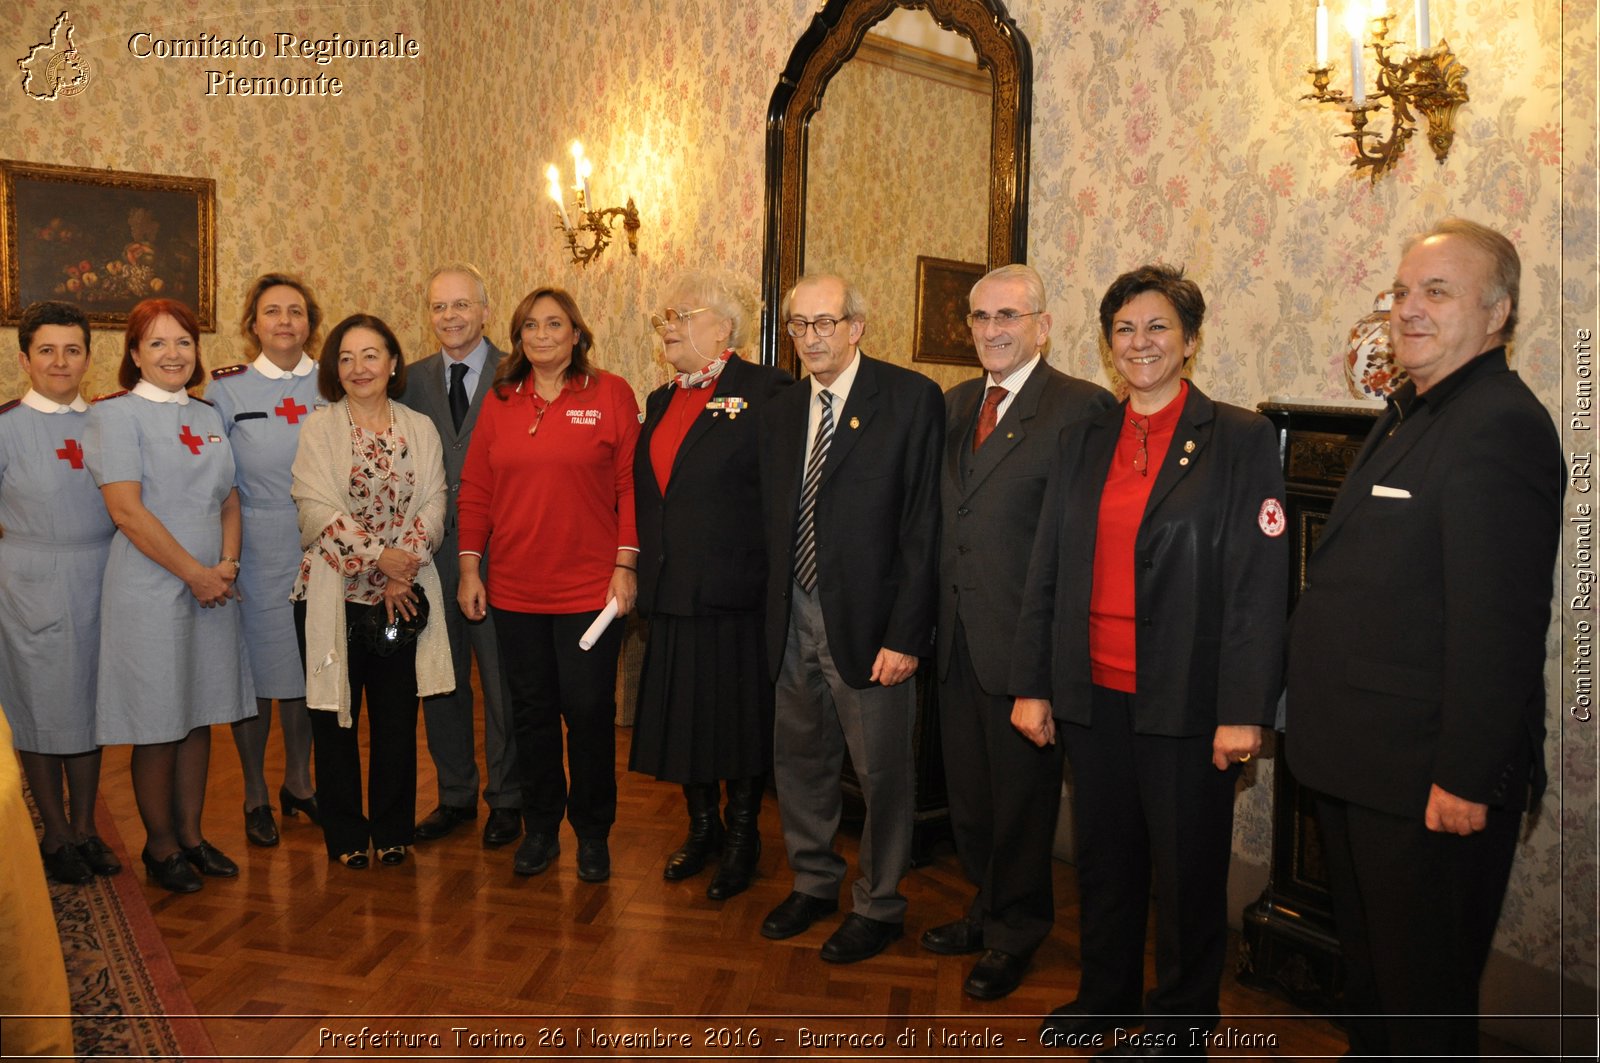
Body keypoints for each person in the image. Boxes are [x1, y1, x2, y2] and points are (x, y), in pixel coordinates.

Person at [1285, 219, 1563, 1059]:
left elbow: (1500, 625)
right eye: (1402, 291)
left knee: (1425, 1009)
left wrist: (1465, 777)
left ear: (1498, 313)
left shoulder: (1500, 424)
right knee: (1376, 994)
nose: (1408, 309)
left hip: (1428, 783)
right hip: (1362, 764)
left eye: (1436, 291)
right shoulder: (1414, 410)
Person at [1010, 264, 1286, 1049]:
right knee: (1105, 861)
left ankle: (1184, 1020)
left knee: (1188, 873)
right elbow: (1048, 569)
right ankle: (1106, 995)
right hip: (1092, 691)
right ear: (1107, 344)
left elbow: (1258, 589)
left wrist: (1243, 710)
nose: (1141, 342)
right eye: (1125, 329)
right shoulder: (1083, 435)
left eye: (1159, 326)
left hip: (1188, 701)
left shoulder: (1239, 438)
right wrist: (1034, 684)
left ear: (1191, 340)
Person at [930, 265, 1114, 999]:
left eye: (1008, 315)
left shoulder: (1081, 408)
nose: (991, 329)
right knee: (971, 800)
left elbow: (1081, 548)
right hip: (956, 639)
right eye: (979, 317)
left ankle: (1016, 931)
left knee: (1023, 804)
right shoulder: (952, 405)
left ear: (1042, 324)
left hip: (1025, 646)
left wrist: (1048, 661)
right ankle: (986, 904)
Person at [755, 273, 942, 964]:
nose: (812, 338)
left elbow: (923, 527)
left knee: (883, 771)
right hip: (792, 614)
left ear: (857, 326)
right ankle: (813, 880)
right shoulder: (780, 409)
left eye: (826, 323)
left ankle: (881, 903)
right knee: (799, 760)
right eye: (800, 325)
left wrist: (906, 633)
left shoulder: (908, 398)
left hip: (872, 624)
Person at [457, 287, 640, 883]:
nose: (541, 335)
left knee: (588, 712)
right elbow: (477, 491)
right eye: (529, 325)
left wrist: (626, 564)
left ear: (577, 334)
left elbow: (630, 488)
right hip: (514, 590)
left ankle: (592, 833)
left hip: (590, 592)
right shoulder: (502, 399)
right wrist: (468, 568)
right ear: (518, 338)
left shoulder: (610, 393)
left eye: (554, 324)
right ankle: (540, 829)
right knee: (529, 714)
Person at [630, 269, 792, 901]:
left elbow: (778, 496)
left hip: (735, 593)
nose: (669, 327)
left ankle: (743, 835)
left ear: (723, 326)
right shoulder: (661, 399)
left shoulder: (766, 389)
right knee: (682, 721)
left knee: (735, 722)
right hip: (670, 590)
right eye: (663, 318)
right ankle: (703, 828)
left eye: (681, 315)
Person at [84, 298, 255, 894]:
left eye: (183, 341)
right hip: (150, 588)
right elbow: (126, 511)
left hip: (212, 582)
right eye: (157, 343)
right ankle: (159, 847)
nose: (173, 354)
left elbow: (229, 499)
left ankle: (192, 835)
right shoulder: (115, 417)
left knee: (199, 710)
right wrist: (196, 574)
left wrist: (226, 564)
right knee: (158, 720)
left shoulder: (209, 416)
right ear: (134, 354)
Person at [290, 314, 450, 869]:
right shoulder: (320, 428)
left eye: (371, 355)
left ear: (393, 363)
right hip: (331, 595)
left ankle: (393, 830)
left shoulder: (419, 427)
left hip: (399, 599)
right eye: (347, 358)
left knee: (395, 716)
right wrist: (380, 558)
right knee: (335, 717)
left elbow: (434, 502)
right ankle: (347, 837)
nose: (360, 368)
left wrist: (401, 568)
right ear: (336, 370)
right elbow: (314, 509)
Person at [400, 264, 521, 849]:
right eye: (438, 307)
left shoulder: (518, 373)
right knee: (441, 681)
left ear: (485, 310)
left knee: (503, 682)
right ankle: (454, 795)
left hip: (504, 554)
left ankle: (508, 797)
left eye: (461, 306)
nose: (449, 317)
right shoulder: (410, 380)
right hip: (429, 558)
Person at [0, 301, 120, 885]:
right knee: (42, 706)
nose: (60, 361)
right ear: (24, 358)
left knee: (90, 708)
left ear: (88, 358)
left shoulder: (107, 423)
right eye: (46, 350)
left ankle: (87, 827)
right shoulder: (5, 426)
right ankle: (55, 831)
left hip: (102, 575)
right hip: (29, 581)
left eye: (72, 349)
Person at [206, 273, 324, 848]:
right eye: (272, 311)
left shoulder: (335, 381)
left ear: (311, 323)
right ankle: (255, 793)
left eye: (296, 312)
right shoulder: (226, 388)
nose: (285, 322)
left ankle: (299, 783)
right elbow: (210, 476)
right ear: (252, 323)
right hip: (252, 543)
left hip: (322, 546)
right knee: (253, 675)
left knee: (305, 671)